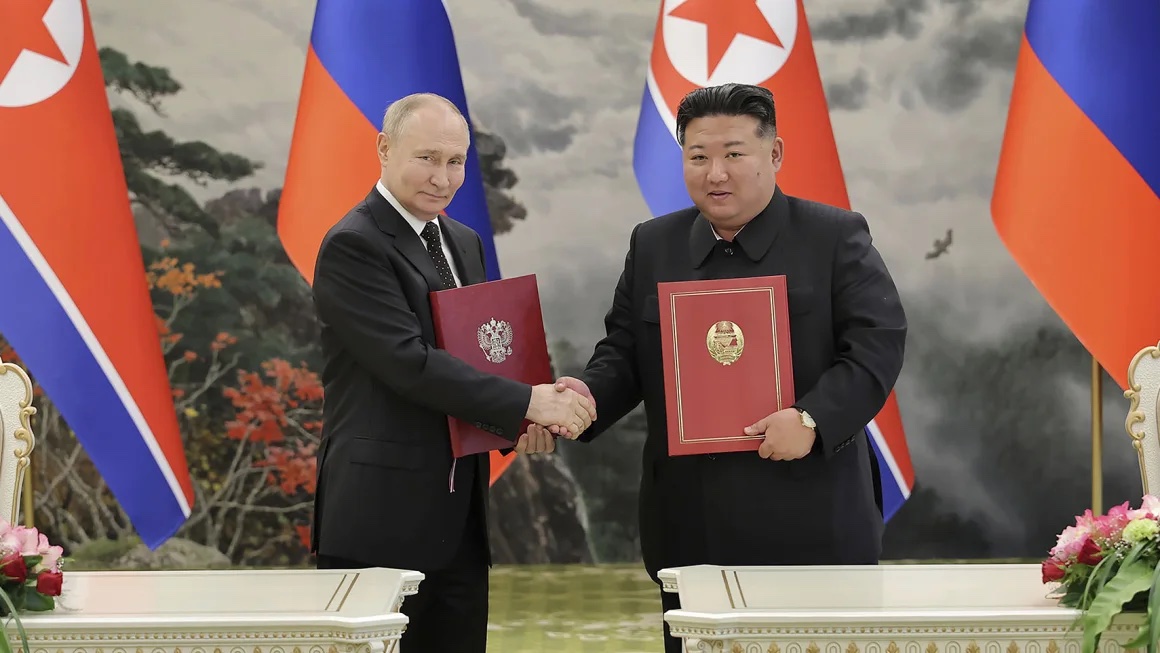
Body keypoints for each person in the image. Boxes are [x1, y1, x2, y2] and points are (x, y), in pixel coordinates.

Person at [524, 83, 907, 652]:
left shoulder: (833, 236)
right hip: (690, 522)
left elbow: (877, 345)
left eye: (734, 153)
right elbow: (624, 353)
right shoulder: (654, 244)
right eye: (698, 157)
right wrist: (578, 401)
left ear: (774, 154)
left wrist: (811, 419)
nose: (715, 173)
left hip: (812, 519)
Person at [309, 92, 591, 653]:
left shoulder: (462, 241)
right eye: (427, 158)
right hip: (380, 516)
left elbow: (482, 358)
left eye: (456, 161)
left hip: (459, 514)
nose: (443, 177)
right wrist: (528, 403)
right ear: (384, 149)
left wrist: (522, 421)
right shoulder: (354, 245)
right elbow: (409, 364)